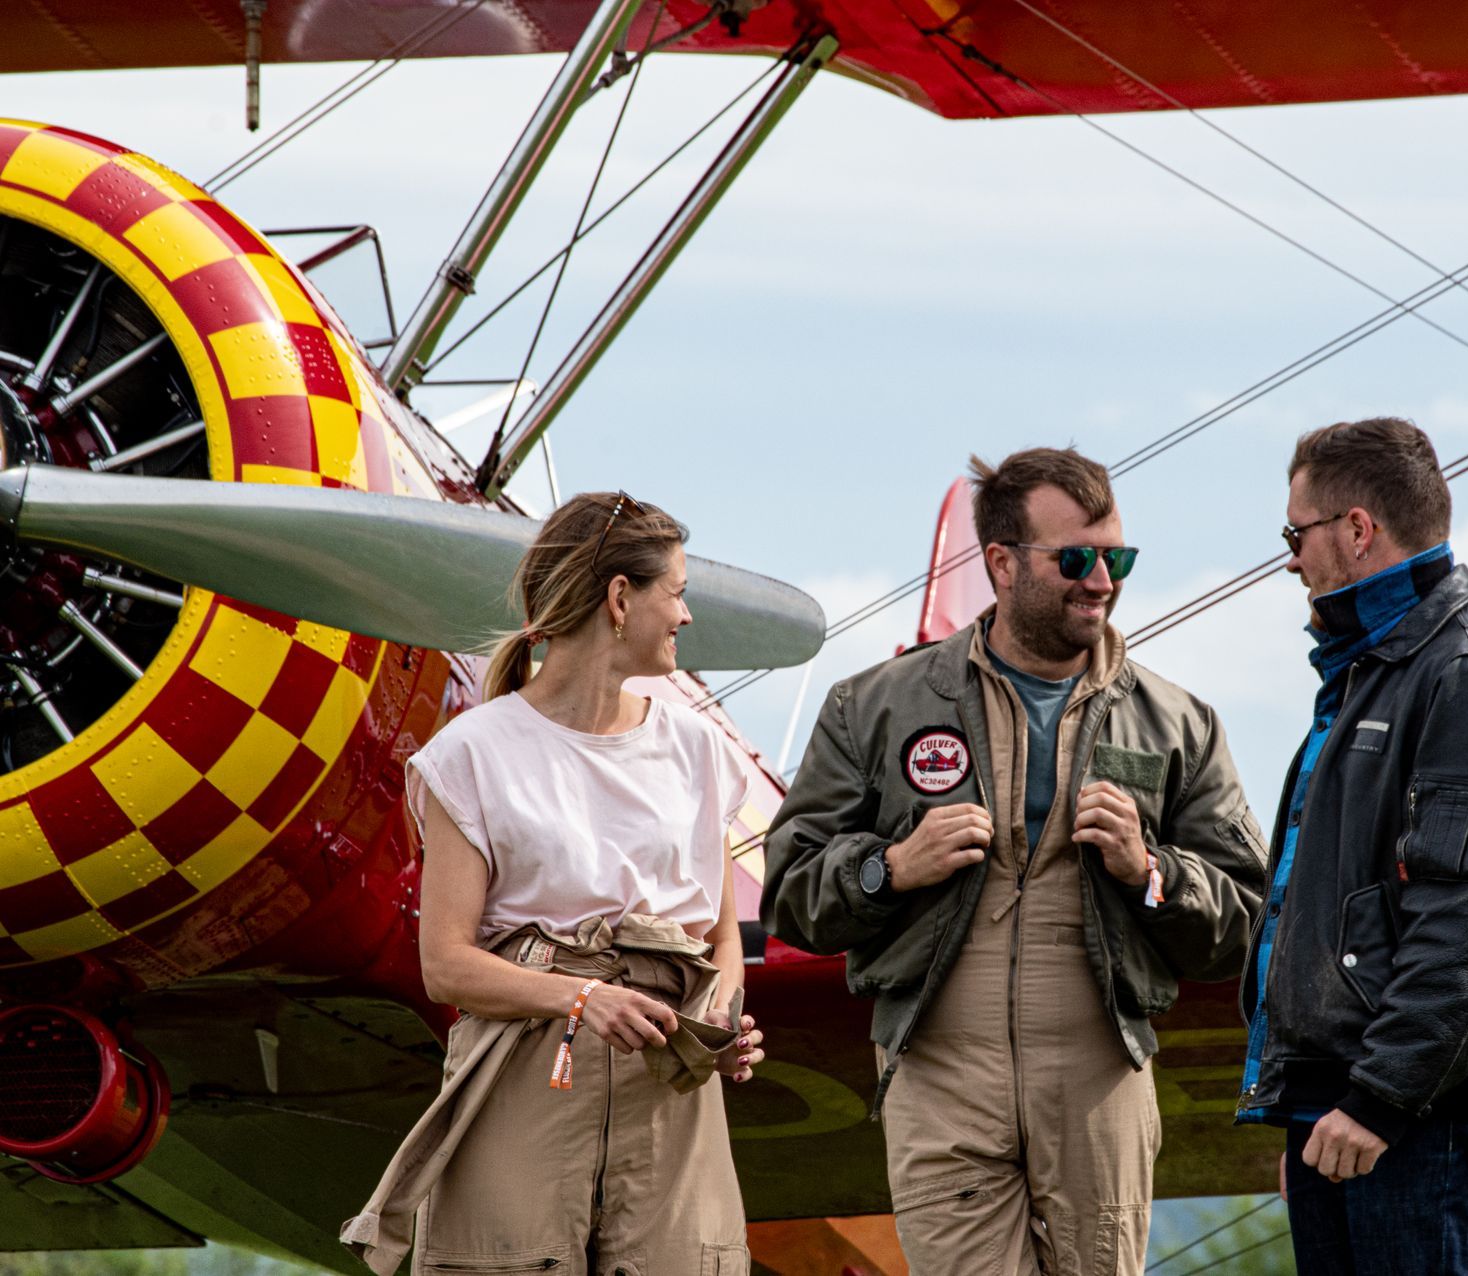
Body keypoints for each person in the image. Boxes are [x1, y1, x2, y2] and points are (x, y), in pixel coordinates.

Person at [763, 447, 1268, 1275]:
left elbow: (1244, 921)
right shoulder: (874, 707)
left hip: (1100, 1081)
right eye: (1075, 558)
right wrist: (888, 868)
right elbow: (790, 891)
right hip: (940, 1079)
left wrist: (1153, 871)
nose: (1101, 581)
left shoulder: (1180, 723)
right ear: (1000, 563)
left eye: (1118, 559)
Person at [341, 492, 766, 1276]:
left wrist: (723, 1022)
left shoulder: (700, 752)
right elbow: (447, 965)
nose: (687, 617)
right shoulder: (471, 755)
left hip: (672, 1090)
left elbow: (719, 938)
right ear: (618, 599)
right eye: (676, 593)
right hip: (523, 1076)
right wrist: (582, 998)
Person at [1235, 418, 1468, 1274]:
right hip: (1351, 1110)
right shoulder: (1373, 671)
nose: (1289, 559)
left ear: (1355, 529)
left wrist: (1378, 1102)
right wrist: (1319, 1111)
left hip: (1413, 1116)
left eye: (1295, 534)